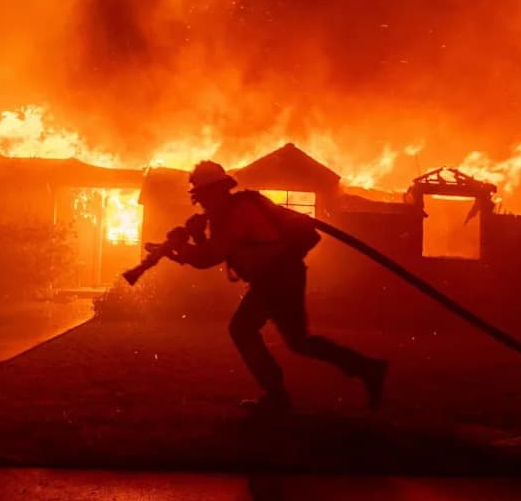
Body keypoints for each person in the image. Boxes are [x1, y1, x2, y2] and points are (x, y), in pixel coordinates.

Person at [165, 160, 388, 414]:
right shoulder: (227, 212)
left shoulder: (237, 213)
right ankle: (367, 368)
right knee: (297, 341)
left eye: (202, 195)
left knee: (243, 330)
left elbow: (209, 257)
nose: (201, 202)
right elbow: (213, 252)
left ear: (216, 191)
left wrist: (185, 247)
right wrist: (195, 238)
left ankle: (277, 395)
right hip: (278, 277)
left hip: (277, 277)